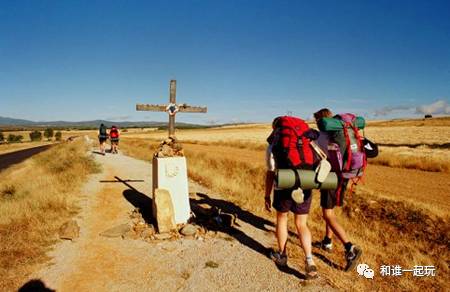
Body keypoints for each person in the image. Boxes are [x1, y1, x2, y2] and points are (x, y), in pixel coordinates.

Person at [264, 117, 318, 280]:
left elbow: (271, 173)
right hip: (305, 184)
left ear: (276, 128)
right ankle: (310, 260)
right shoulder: (308, 140)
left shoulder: (274, 144)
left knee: (282, 219)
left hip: (284, 184)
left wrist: (267, 195)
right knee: (301, 224)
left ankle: (282, 255)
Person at [313, 108, 362, 272]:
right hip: (344, 175)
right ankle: (327, 241)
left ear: (321, 121)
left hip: (330, 177)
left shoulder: (321, 136)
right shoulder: (343, 132)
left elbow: (318, 157)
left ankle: (350, 249)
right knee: (332, 210)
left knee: (327, 213)